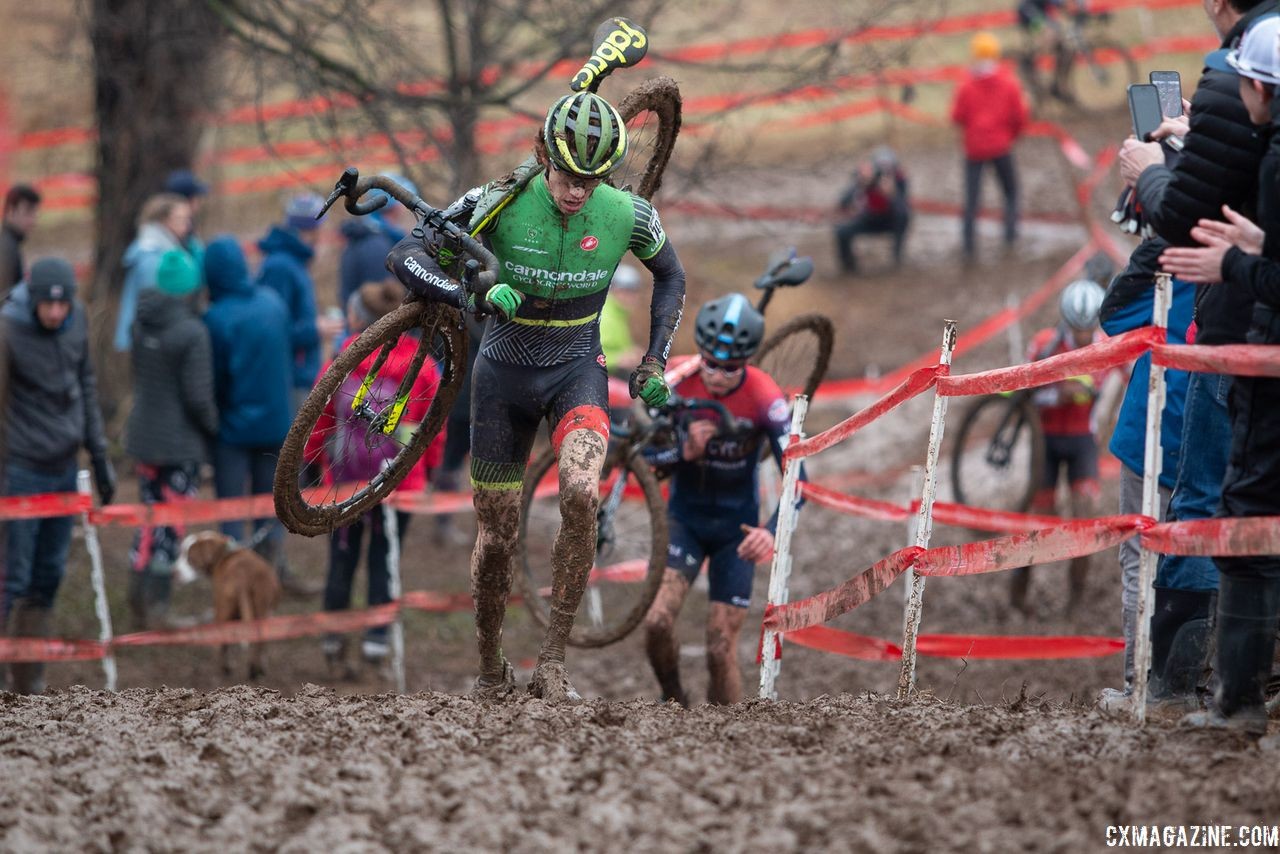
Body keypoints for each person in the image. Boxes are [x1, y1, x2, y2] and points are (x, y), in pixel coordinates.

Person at [387, 90, 686, 703]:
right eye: (568, 175)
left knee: (580, 494)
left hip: (576, 367)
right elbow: (406, 254)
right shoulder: (495, 201)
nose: (578, 190)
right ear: (545, 155)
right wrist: (467, 294)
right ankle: (492, 667)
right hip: (502, 376)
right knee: (495, 538)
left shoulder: (627, 213)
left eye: (592, 179)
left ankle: (552, 661)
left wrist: (655, 356)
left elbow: (672, 274)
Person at [1117, 0, 1275, 714]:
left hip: (1233, 337)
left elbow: (1169, 230)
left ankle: (1187, 686)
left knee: (1213, 506)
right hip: (1238, 322)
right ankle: (1232, 687)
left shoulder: (1228, 83)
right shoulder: (1253, 127)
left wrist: (1156, 174)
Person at [641, 294, 797, 706]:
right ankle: (673, 698)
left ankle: (729, 735)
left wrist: (770, 532)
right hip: (684, 521)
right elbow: (640, 458)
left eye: (730, 368)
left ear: (746, 362)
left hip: (737, 532)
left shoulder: (766, 395)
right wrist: (683, 453)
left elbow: (799, 479)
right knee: (656, 622)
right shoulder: (677, 377)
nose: (717, 375)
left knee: (719, 646)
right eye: (710, 362)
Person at [307, 281, 445, 676]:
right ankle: (376, 645)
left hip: (343, 479)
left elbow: (318, 412)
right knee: (385, 559)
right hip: (399, 481)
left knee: (342, 558)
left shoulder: (343, 355)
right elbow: (434, 424)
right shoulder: (424, 363)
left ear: (360, 319)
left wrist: (311, 459)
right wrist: (430, 468)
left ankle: (333, 641)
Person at [0, 258, 114, 694]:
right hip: (20, 468)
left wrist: (99, 455)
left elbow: (84, 382)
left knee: (47, 575)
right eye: (47, 306)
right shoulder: (8, 329)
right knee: (12, 575)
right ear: (33, 299)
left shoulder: (77, 320)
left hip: (64, 466)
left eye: (62, 305)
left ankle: (28, 680)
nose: (55, 313)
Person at [1096, 241, 1195, 708]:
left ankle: (1144, 687)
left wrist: (1156, 241)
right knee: (1213, 554)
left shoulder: (1179, 262)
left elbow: (1114, 318)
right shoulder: (1257, 265)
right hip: (1224, 429)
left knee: (1141, 557)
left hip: (1158, 424)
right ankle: (1197, 684)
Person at [202, 235, 313, 596]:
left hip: (233, 429)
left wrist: (215, 421)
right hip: (278, 422)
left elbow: (215, 379)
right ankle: (269, 577)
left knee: (232, 512)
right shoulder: (273, 303)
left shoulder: (215, 319)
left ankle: (233, 585)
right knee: (271, 506)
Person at [124, 250, 218, 630]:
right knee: (171, 523)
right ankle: (157, 607)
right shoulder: (192, 332)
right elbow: (198, 396)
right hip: (179, 444)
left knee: (148, 517)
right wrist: (215, 428)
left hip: (144, 435)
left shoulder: (140, 322)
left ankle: (138, 597)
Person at [1009, 279, 1107, 616]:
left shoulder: (1107, 346)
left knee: (1085, 516)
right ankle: (1018, 595)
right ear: (1066, 321)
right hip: (1045, 442)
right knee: (1038, 524)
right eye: (1076, 329)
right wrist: (1056, 395)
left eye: (1088, 329)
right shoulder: (1043, 345)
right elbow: (1021, 394)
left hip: (1083, 441)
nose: (1082, 336)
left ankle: (1075, 601)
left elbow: (1136, 373)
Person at [950, 31, 1029, 262]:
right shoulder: (1008, 82)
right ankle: (1010, 236)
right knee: (1011, 191)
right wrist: (1011, 136)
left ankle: (968, 244)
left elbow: (957, 116)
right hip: (1001, 146)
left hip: (974, 148)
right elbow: (1019, 116)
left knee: (972, 198)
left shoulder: (966, 84)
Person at [256, 193, 326, 410]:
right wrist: (314, 330)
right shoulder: (280, 267)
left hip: (301, 373)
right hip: (291, 377)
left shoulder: (295, 262)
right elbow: (273, 329)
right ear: (309, 231)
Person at [114, 193, 199, 351]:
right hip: (149, 343)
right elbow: (150, 305)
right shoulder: (152, 258)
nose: (187, 225)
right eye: (181, 219)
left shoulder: (161, 250)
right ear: (163, 220)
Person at [338, 173, 418, 318]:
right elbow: (381, 305)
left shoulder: (369, 235)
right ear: (397, 207)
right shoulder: (376, 246)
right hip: (372, 332)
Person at [833, 146, 910, 275]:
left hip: (891, 219)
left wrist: (892, 194)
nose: (884, 173)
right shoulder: (864, 177)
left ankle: (897, 259)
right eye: (880, 169)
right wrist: (861, 184)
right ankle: (848, 266)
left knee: (904, 216)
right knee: (841, 231)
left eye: (888, 168)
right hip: (869, 218)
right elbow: (843, 203)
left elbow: (904, 207)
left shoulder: (899, 179)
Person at [598, 262, 645, 375]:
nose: (631, 297)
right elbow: (588, 357)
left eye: (634, 291)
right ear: (612, 290)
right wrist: (619, 360)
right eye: (625, 291)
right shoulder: (605, 317)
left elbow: (617, 348)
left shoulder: (619, 313)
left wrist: (632, 353)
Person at [1, 184, 41, 299]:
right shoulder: (6, 250)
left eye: (35, 214)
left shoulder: (10, 244)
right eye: (28, 212)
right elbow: (5, 299)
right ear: (10, 211)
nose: (32, 221)